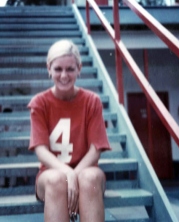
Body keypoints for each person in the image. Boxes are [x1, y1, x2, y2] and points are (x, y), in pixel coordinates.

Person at [28, 39, 111, 222]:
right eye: (58, 69)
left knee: (89, 178)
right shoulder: (40, 103)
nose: (64, 75)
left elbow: (96, 148)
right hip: (51, 173)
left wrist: (74, 174)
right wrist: (67, 173)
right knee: (56, 180)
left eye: (70, 69)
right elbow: (40, 149)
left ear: (79, 68)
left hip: (86, 170)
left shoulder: (92, 101)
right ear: (49, 68)